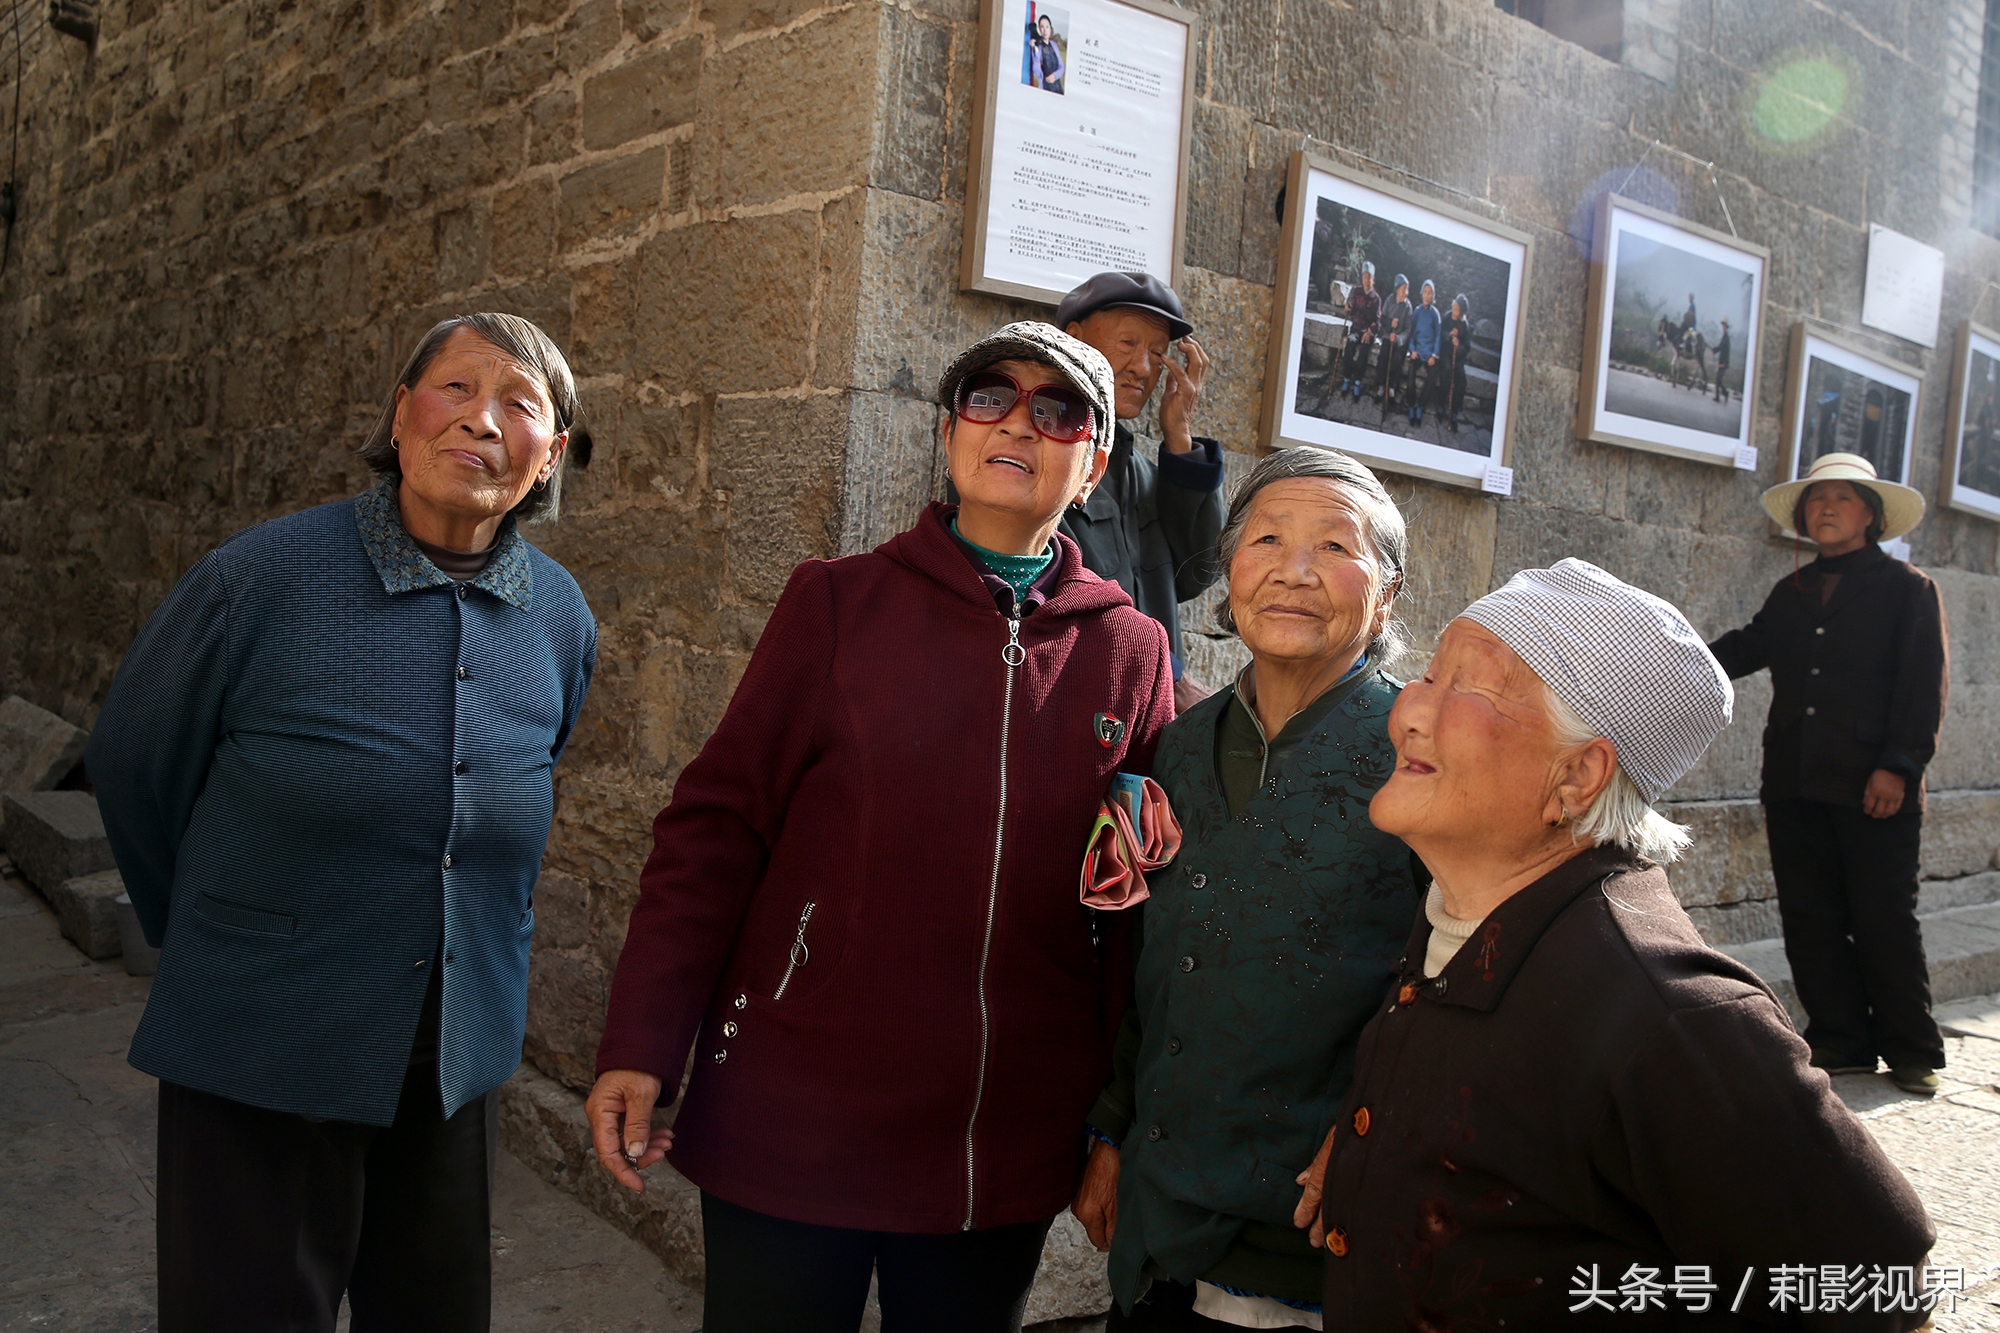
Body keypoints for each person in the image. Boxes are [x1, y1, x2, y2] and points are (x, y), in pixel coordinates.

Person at [587, 322, 1176, 1333]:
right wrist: (643, 1040)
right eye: (988, 397)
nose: (1017, 424)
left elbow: (1131, 909)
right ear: (949, 434)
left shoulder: (1130, 649)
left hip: (994, 1140)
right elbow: (713, 834)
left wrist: (1116, 1122)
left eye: (1056, 411)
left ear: (1094, 466)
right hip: (795, 1109)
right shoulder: (836, 603)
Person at [86, 313, 597, 1332]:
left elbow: (530, 776)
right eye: (455, 388)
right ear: (400, 415)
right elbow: (135, 762)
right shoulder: (258, 579)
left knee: (433, 1308)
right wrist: (225, 938)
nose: (482, 420)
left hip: (450, 1056)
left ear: (549, 458)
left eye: (521, 405)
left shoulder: (559, 617)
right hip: (262, 1039)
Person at [1296, 560, 1935, 1330]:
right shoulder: (1458, 919)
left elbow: (1880, 1290)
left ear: (1577, 776)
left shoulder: (1671, 1015)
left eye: (1470, 687)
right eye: (1429, 673)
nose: (1409, 709)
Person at [1071, 448, 1427, 1331]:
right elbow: (1157, 958)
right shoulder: (1182, 746)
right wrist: (1114, 1129)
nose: (1294, 570)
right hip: (1161, 1212)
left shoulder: (1421, 755)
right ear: (1229, 578)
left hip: (1305, 1231)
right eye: (1266, 539)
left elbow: (1462, 979)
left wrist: (1381, 1123)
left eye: (1334, 546)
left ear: (1386, 594)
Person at [1707, 453, 1949, 1094]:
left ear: (1872, 515)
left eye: (1842, 497)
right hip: (1795, 781)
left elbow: (1922, 690)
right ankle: (1841, 1039)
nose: (1827, 508)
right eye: (1816, 499)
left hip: (1875, 786)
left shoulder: (1909, 590)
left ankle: (1911, 1048)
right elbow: (1744, 648)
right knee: (1809, 916)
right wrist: (1672, 660)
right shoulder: (1791, 592)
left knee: (1883, 918)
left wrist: (1899, 767)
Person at [1054, 271, 1229, 710]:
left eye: (1157, 352)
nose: (1144, 368)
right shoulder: (1036, 458)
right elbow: (1053, 595)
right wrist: (1172, 676)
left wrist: (1179, 436)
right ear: (1074, 338)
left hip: (1144, 716)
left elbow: (1198, 572)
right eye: (1128, 343)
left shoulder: (1145, 475)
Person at [1338, 262, 1380, 402]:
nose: (1367, 280)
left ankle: (1357, 382)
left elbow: (1378, 321)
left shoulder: (1376, 298)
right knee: (1350, 345)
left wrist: (1370, 331)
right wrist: (1348, 308)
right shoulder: (1356, 291)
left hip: (1368, 331)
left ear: (1373, 280)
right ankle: (1346, 378)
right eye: (1364, 277)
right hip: (1356, 328)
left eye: (1369, 277)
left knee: (1363, 351)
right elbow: (1351, 308)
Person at [1405, 280, 1441, 427]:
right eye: (1425, 292)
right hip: (1418, 351)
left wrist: (1434, 355)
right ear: (1421, 294)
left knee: (1433, 376)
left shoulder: (1435, 314)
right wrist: (1412, 349)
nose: (1427, 295)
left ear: (1433, 296)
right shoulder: (1417, 311)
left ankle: (1421, 406)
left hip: (1430, 353)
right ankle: (1411, 405)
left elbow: (1438, 336)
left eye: (1430, 293)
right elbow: (1411, 333)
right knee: (1411, 373)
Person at [1376, 274, 1413, 412]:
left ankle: (1392, 387)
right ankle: (1381, 385)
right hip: (1388, 335)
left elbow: (1409, 329)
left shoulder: (1408, 306)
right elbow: (1382, 319)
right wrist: (1390, 324)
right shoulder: (1390, 300)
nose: (1406, 292)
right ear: (1397, 289)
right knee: (1383, 355)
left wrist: (1398, 338)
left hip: (1400, 340)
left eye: (1407, 289)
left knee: (1397, 359)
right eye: (1403, 289)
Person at [1441, 294, 1472, 433]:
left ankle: (1454, 411)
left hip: (1457, 358)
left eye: (1458, 308)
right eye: (1454, 305)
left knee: (1461, 381)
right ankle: (1441, 404)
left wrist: (1458, 346)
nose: (1455, 309)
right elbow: (1440, 334)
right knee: (1447, 371)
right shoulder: (1446, 317)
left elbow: (1467, 347)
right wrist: (1449, 336)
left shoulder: (1464, 325)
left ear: (1462, 312)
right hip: (1445, 354)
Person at [1030, 13, 1065, 92]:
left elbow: (1061, 67)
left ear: (1050, 28)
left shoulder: (1054, 45)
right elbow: (1037, 72)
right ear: (1039, 29)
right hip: (1046, 88)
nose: (1045, 30)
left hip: (1058, 88)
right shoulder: (1038, 46)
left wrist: (1055, 76)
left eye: (1047, 27)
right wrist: (1035, 49)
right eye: (1042, 27)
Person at [1713, 316, 1732, 403]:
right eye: (1723, 325)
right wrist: (1715, 350)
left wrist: (1715, 350)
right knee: (1718, 380)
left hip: (1724, 362)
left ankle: (1723, 394)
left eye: (1724, 326)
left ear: (1726, 327)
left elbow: (1721, 347)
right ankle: (1722, 394)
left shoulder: (1726, 337)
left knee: (1718, 380)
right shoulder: (1724, 336)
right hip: (1722, 361)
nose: (1723, 327)